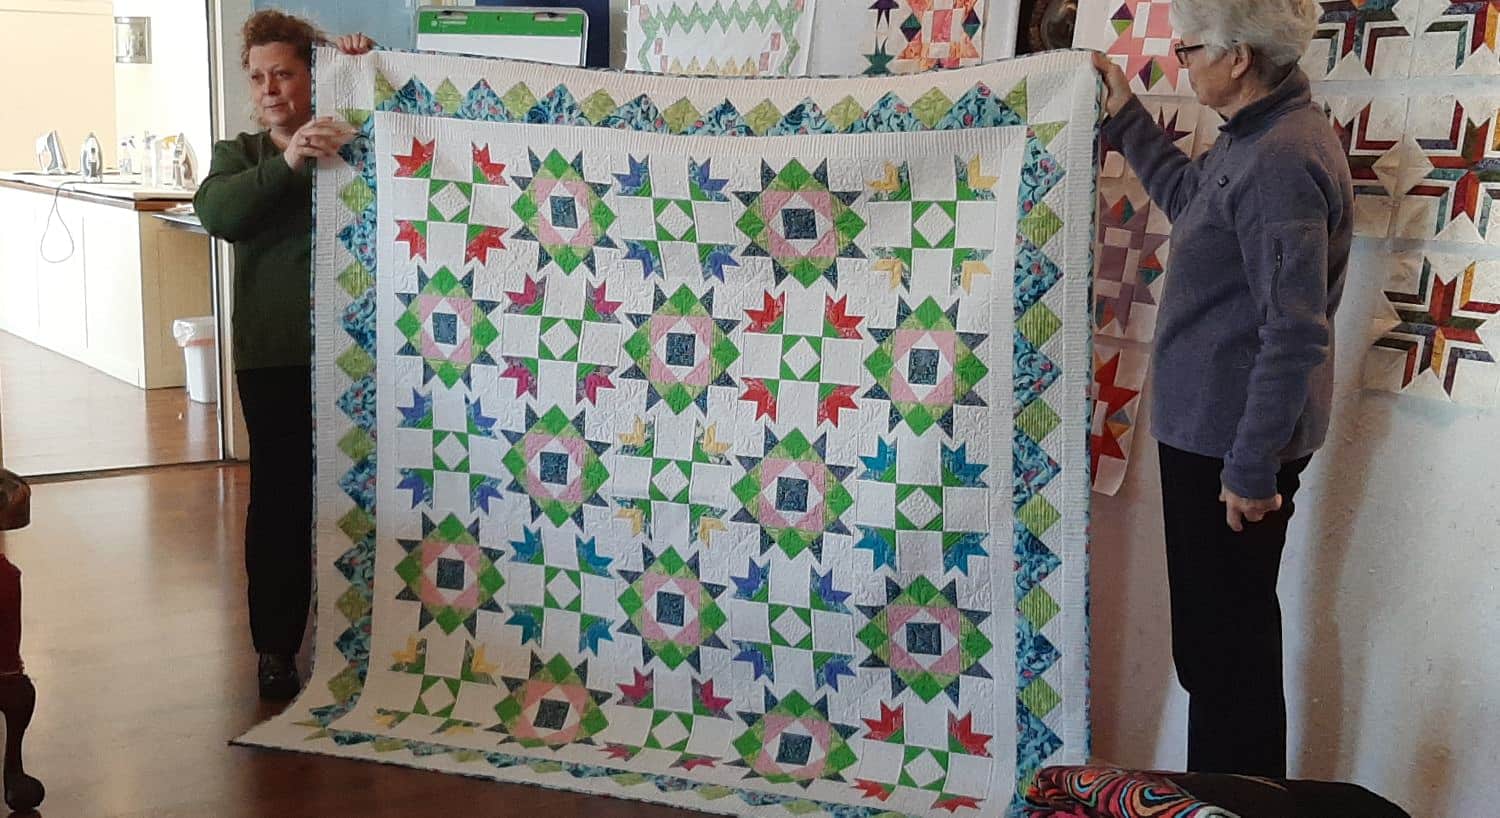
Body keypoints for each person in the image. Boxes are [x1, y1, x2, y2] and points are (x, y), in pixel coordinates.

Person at [1092, 0, 1353, 778]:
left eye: (1191, 47)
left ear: (1239, 57)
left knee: (1223, 659)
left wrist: (1248, 469)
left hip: (1231, 450)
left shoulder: (1280, 158)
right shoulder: (1254, 136)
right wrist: (1128, 118)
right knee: (1223, 649)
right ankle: (1234, 799)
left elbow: (1296, 330)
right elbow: (1192, 202)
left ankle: (1234, 802)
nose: (1181, 60)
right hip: (1217, 436)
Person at [193, 11, 374, 700]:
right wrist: (293, 159)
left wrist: (366, 68)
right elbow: (219, 215)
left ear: (313, 75)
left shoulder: (350, 136)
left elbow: (414, 132)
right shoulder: (239, 155)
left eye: (286, 73)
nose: (270, 88)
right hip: (276, 359)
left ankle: (370, 638)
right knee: (280, 503)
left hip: (363, 355)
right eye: (259, 76)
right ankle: (275, 648)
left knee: (371, 494)